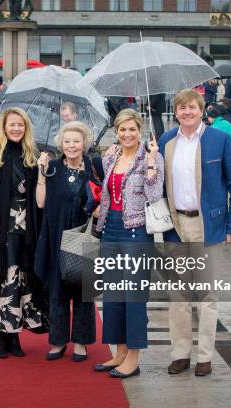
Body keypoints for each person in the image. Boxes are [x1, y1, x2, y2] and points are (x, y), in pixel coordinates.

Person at [158, 89, 231, 377]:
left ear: (202, 109)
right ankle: (180, 353)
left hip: (209, 226)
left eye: (192, 107)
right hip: (175, 228)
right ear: (176, 112)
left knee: (207, 295)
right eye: (182, 108)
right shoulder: (166, 140)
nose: (187, 112)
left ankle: (205, 356)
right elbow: (156, 183)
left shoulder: (218, 140)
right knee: (178, 295)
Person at [93, 109, 164, 379]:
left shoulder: (151, 156)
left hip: (135, 233)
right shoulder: (111, 156)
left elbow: (155, 194)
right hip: (110, 229)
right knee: (113, 296)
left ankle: (133, 358)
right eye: (122, 129)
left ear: (140, 130)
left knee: (133, 298)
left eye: (131, 129)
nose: (126, 134)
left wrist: (150, 165)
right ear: (116, 131)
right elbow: (107, 192)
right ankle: (119, 352)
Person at [0, 107, 45, 358]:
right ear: (3, 128)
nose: (16, 129)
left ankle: (14, 337)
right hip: (3, 231)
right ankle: (0, 336)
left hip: (28, 232)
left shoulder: (32, 157)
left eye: (21, 125)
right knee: (4, 281)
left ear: (26, 128)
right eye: (12, 125)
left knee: (22, 282)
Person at [34, 121, 100, 363]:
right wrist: (41, 175)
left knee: (83, 290)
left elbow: (105, 195)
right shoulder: (51, 167)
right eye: (67, 141)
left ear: (84, 143)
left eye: (76, 141)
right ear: (61, 144)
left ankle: (81, 342)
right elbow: (41, 203)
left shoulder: (94, 166)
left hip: (83, 235)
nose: (72, 145)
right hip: (55, 235)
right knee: (57, 289)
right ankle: (59, 341)